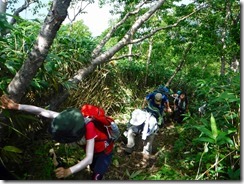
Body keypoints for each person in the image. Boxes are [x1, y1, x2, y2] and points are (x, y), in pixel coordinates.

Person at [0, 95, 114, 180]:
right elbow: (41, 111)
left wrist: (68, 171)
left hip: (104, 151)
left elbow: (88, 157)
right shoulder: (67, 119)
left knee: (97, 175)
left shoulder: (89, 127)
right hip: (90, 147)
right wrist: (17, 106)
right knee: (93, 165)